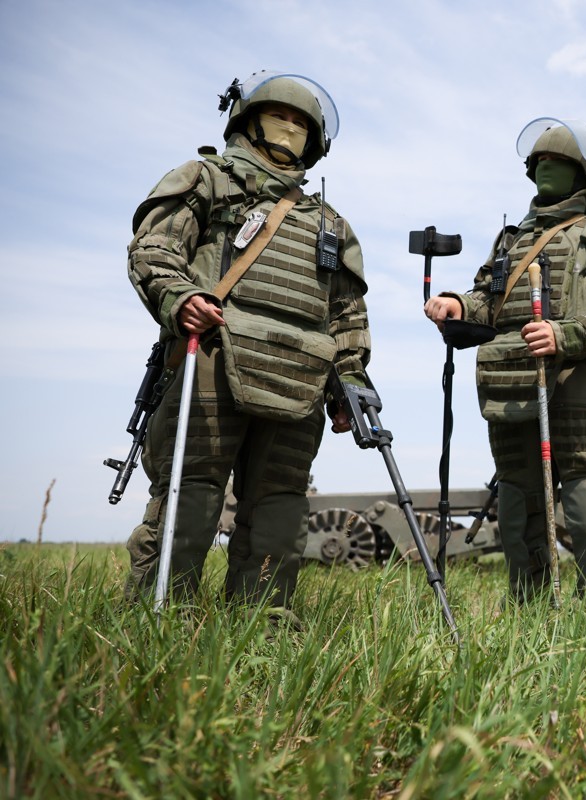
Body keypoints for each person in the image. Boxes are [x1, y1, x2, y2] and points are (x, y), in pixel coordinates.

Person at [123, 71, 370, 613]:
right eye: (279, 115)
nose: (289, 128)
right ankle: (160, 621)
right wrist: (180, 297)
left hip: (300, 381)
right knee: (191, 499)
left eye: (301, 123)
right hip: (211, 355)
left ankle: (263, 625)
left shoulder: (330, 223)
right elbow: (153, 250)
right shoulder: (205, 179)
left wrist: (349, 380)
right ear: (248, 120)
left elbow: (346, 312)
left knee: (280, 511)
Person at [424, 118, 586, 602]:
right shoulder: (510, 241)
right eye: (543, 162)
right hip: (511, 384)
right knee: (517, 505)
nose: (549, 168)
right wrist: (457, 305)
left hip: (580, 382)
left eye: (562, 163)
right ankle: (529, 616)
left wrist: (566, 334)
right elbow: (487, 302)